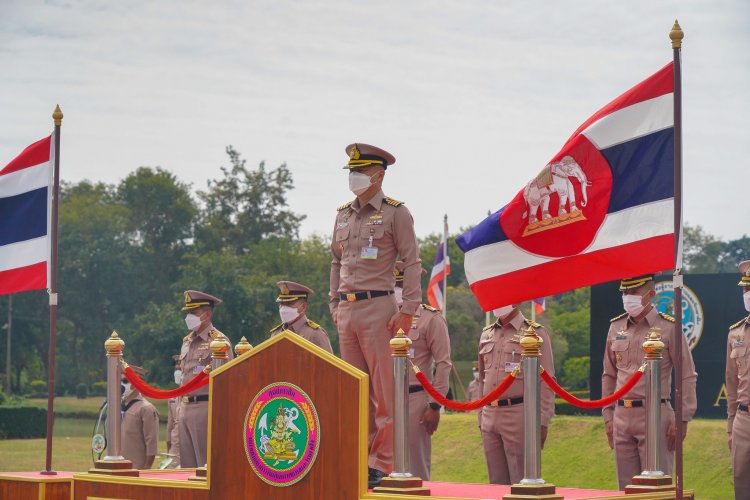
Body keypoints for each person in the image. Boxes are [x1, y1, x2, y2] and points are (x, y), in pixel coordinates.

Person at [329, 143, 421, 487]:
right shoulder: (342, 214)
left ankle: (382, 462)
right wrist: (334, 304)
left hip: (379, 307)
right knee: (355, 391)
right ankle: (359, 458)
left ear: (379, 175)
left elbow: (412, 262)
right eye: (351, 172)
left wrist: (409, 309)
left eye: (361, 171)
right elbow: (336, 261)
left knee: (385, 392)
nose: (354, 177)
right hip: (347, 309)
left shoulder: (396, 213)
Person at [602, 275, 697, 490]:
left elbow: (687, 375)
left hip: (655, 414)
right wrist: (608, 416)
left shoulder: (669, 327)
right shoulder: (616, 327)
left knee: (656, 487)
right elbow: (609, 374)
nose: (627, 298)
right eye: (625, 293)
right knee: (625, 489)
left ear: (651, 295)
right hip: (621, 415)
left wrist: (682, 418)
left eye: (633, 293)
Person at [478, 304, 556, 485]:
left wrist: (542, 421)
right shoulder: (486, 334)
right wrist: (480, 417)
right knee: (495, 483)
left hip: (518, 414)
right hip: (490, 415)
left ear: (517, 300)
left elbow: (547, 381)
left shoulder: (534, 333)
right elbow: (482, 379)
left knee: (522, 482)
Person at [394, 263, 451, 480]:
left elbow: (443, 364)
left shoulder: (431, 319)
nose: (398, 288)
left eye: (402, 283)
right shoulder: (382, 317)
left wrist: (435, 405)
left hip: (415, 398)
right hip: (385, 398)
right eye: (395, 284)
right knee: (381, 467)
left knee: (415, 468)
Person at [178, 289, 233, 468]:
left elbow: (227, 380)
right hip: (185, 407)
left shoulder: (219, 341)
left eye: (193, 313)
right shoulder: (187, 341)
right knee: (187, 468)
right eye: (188, 312)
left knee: (206, 467)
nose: (189, 317)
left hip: (206, 409)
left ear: (207, 314)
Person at [726, 260, 750, 499]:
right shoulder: (736, 333)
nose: (747, 294)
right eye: (745, 289)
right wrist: (730, 427)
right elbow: (731, 384)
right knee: (741, 482)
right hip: (743, 420)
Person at [270, 281, 333, 353]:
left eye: (289, 304)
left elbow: (328, 363)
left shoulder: (315, 334)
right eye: (282, 304)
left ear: (303, 306)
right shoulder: (276, 334)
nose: (284, 308)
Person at [120, 365, 160, 470]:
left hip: (136, 469)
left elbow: (151, 443)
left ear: (137, 382)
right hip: (117, 466)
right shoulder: (117, 407)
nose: (121, 385)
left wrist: (146, 469)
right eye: (119, 381)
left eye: (125, 381)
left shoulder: (146, 409)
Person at [166, 354, 181, 468]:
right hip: (175, 447)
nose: (178, 371)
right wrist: (168, 450)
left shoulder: (199, 396)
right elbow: (170, 427)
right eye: (176, 369)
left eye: (180, 369)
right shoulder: (172, 397)